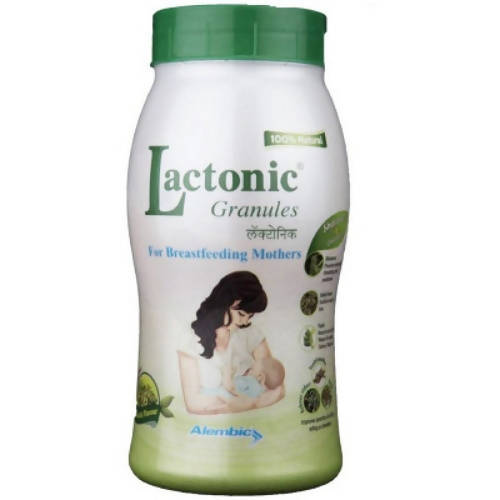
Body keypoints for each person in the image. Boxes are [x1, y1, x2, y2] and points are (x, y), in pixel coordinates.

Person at [178, 271, 285, 414]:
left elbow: (277, 388)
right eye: (241, 314)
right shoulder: (190, 341)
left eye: (250, 316)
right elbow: (193, 403)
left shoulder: (251, 333)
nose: (244, 321)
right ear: (224, 303)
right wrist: (249, 402)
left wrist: (246, 403)